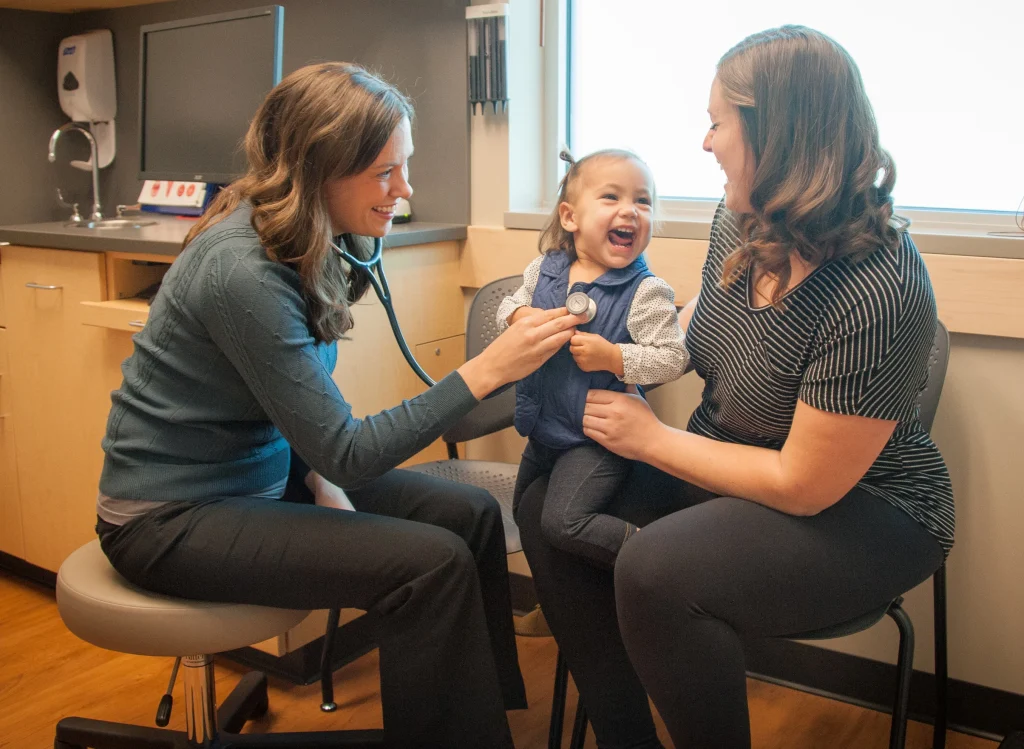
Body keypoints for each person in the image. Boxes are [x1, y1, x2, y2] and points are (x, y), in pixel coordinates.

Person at [93, 62, 580, 749]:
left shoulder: (311, 240)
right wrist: (487, 369)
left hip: (261, 478)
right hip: (167, 516)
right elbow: (347, 446)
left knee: (466, 515)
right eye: (385, 173)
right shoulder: (243, 271)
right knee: (427, 564)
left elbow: (293, 403)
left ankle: (473, 723)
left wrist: (318, 478)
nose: (403, 191)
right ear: (319, 169)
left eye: (403, 168)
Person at [515, 26, 953, 749]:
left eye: (719, 122)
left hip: (866, 506)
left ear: (777, 136)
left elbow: (803, 483)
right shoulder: (739, 220)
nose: (706, 142)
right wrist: (618, 348)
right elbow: (700, 330)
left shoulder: (881, 286)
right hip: (736, 463)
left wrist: (651, 438)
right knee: (544, 507)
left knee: (657, 570)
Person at [498, 148, 687, 570]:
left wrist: (613, 356)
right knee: (522, 515)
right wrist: (519, 315)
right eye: (611, 198)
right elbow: (506, 308)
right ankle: (555, 604)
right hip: (543, 427)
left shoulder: (645, 290)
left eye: (643, 201)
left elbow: (672, 358)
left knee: (563, 523)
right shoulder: (542, 271)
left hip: (596, 438)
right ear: (570, 217)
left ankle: (653, 550)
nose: (631, 211)